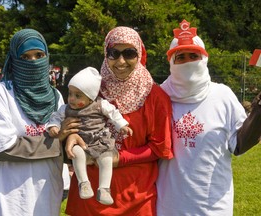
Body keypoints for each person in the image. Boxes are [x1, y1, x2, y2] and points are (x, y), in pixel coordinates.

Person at [62, 26, 173, 216]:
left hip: (135, 198)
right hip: (89, 197)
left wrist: (120, 159)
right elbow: (71, 123)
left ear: (140, 54)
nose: (121, 61)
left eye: (129, 53)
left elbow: (159, 147)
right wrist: (68, 135)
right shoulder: (89, 91)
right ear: (106, 54)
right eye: (114, 53)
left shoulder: (155, 97)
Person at [157, 19, 261, 216]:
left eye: (193, 56)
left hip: (213, 207)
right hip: (169, 207)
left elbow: (238, 144)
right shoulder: (159, 97)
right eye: (181, 57)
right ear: (171, 61)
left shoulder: (222, 95)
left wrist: (259, 110)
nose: (188, 62)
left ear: (204, 58)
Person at [0, 29, 65, 216]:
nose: (33, 62)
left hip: (46, 193)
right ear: (14, 59)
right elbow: (2, 149)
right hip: (9, 198)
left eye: (39, 55)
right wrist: (57, 142)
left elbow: (64, 143)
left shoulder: (55, 96)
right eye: (25, 57)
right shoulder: (0, 92)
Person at [46, 66, 133, 205]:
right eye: (70, 93)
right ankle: (83, 183)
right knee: (76, 152)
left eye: (78, 95)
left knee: (106, 158)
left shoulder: (100, 104)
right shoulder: (66, 108)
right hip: (80, 143)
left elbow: (113, 113)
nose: (72, 99)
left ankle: (104, 189)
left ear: (91, 98)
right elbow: (56, 117)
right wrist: (54, 126)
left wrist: (121, 125)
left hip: (99, 141)